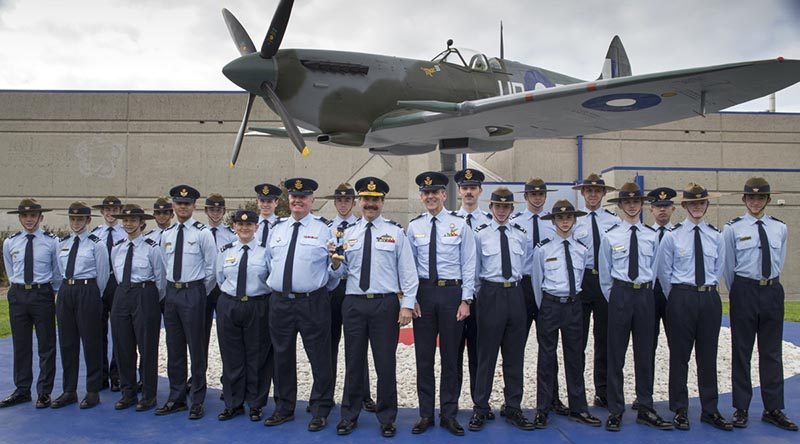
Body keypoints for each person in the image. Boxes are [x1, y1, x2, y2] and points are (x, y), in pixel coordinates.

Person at [334, 177, 418, 438]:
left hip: (384, 304)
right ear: (360, 201)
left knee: (385, 364)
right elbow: (343, 270)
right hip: (354, 304)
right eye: (366, 199)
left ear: (382, 202)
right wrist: (335, 265)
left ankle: (387, 418)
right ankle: (349, 415)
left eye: (375, 199)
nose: (370, 204)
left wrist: (406, 306)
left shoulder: (395, 232)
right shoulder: (348, 234)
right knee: (354, 362)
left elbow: (408, 272)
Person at [263, 177, 339, 432]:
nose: (297, 200)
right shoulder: (278, 228)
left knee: (319, 357)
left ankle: (320, 409)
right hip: (280, 302)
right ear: (288, 200)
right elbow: (268, 263)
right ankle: (284, 407)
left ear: (312, 201)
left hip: (312, 303)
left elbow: (334, 269)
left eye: (303, 196)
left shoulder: (323, 229)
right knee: (281, 356)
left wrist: (317, 287)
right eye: (294, 196)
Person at [722, 177, 797, 431]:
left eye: (760, 198)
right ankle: (741, 408)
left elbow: (780, 259)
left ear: (768, 200)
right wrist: (741, 292)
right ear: (744, 200)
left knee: (772, 353)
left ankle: (773, 408)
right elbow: (728, 267)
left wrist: (768, 284)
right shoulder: (732, 228)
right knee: (742, 351)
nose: (755, 202)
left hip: (772, 291)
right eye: (751, 197)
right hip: (744, 290)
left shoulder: (780, 228)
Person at [656, 183, 732, 431]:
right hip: (681, 297)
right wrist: (679, 296)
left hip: (708, 298)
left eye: (702, 203)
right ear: (685, 206)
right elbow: (664, 273)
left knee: (707, 356)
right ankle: (680, 410)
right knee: (680, 356)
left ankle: (710, 409)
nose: (697, 207)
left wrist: (705, 291)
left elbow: (718, 269)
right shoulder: (672, 236)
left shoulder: (716, 235)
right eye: (692, 204)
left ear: (707, 205)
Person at [406, 171, 476, 436]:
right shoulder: (415, 226)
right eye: (426, 193)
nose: (430, 196)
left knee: (450, 359)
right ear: (421, 196)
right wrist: (410, 300)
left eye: (435, 192)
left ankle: (449, 414)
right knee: (423, 358)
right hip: (424, 296)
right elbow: (409, 267)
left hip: (451, 296)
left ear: (444, 195)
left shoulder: (459, 225)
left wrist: (466, 300)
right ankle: (425, 415)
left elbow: (469, 264)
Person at [598, 183, 672, 431]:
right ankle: (616, 410)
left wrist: (643, 294)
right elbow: (605, 276)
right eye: (627, 202)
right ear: (620, 205)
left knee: (644, 354)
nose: (632, 205)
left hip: (644, 296)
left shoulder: (652, 236)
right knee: (615, 355)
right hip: (620, 294)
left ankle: (645, 407)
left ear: (642, 205)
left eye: (636, 201)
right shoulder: (610, 235)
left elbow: (657, 271)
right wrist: (617, 297)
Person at [468, 187, 535, 432]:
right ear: (491, 207)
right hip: (491, 292)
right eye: (498, 206)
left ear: (511, 209)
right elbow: (474, 271)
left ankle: (513, 406)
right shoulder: (480, 234)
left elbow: (524, 264)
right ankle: (481, 407)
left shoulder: (521, 234)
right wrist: (481, 296)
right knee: (486, 354)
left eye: (506, 207)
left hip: (515, 293)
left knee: (515, 354)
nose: (502, 211)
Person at [531, 200, 601, 429]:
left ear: (574, 220)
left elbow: (580, 280)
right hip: (551, 305)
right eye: (560, 218)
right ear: (553, 221)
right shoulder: (543, 249)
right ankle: (543, 408)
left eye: (568, 217)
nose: (564, 221)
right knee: (546, 358)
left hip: (573, 307)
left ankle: (578, 407)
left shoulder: (582, 249)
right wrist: (545, 307)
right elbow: (536, 283)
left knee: (575, 357)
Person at [155, 185, 216, 420]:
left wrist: (199, 291)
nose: (183, 207)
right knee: (174, 347)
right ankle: (176, 397)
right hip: (172, 294)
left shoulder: (202, 233)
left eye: (187, 203)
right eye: (179, 203)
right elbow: (164, 265)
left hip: (194, 293)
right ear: (173, 206)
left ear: (194, 206)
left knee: (196, 348)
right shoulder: (167, 235)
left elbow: (212, 269)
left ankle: (198, 399)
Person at [511, 177, 567, 416]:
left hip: (546, 286)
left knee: (548, 346)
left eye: (541, 194)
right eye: (532, 194)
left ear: (545, 197)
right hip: (522, 287)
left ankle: (551, 398)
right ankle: (513, 400)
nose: (537, 198)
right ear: (525, 197)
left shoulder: (552, 224)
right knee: (515, 347)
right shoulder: (514, 222)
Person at [0, 199, 60, 409]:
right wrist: (17, 287)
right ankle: (22, 390)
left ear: (40, 218)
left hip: (41, 294)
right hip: (18, 295)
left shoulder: (51, 242)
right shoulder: (11, 242)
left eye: (33, 216)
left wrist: (49, 292)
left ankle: (44, 392)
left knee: (46, 345)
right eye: (25, 216)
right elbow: (10, 269)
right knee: (21, 345)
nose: (29, 220)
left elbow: (57, 272)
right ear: (20, 218)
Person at [215, 210, 273, 422]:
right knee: (231, 356)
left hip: (257, 305)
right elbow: (220, 277)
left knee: (257, 357)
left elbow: (270, 277)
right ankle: (233, 403)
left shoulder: (266, 252)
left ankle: (256, 404)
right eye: (240, 224)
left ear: (257, 227)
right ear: (234, 227)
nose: (244, 228)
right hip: (230, 304)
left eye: (249, 225)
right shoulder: (225, 250)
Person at [324, 182, 376, 413]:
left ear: (354, 203)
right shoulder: (325, 228)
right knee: (330, 344)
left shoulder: (362, 226)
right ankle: (327, 394)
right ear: (335, 203)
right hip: (334, 289)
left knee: (358, 346)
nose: (343, 204)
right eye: (339, 200)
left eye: (347, 200)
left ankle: (362, 394)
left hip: (356, 289)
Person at [51, 202, 109, 410]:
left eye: (80, 219)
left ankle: (92, 390)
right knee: (67, 342)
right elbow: (60, 270)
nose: (76, 223)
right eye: (73, 219)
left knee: (91, 341)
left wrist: (93, 294)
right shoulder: (62, 243)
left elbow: (102, 275)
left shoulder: (96, 244)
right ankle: (69, 390)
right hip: (67, 291)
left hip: (88, 291)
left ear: (88, 221)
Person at [109, 204, 166, 412]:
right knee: (123, 346)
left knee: (147, 347)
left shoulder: (152, 247)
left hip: (145, 294)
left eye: (133, 220)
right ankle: (128, 393)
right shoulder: (118, 247)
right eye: (125, 221)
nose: (129, 224)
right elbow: (116, 273)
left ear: (142, 222)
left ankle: (149, 395)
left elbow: (160, 279)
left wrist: (148, 297)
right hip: (123, 294)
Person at [571, 173, 619, 407]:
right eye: (588, 191)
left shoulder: (613, 221)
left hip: (605, 282)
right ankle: (576, 393)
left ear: (603, 194)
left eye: (597, 191)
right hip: (582, 282)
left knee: (605, 339)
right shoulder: (573, 221)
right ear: (582, 194)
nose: (592, 194)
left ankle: (603, 391)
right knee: (577, 340)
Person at [631, 186, 677, 411]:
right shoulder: (643, 234)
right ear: (650, 209)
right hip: (648, 295)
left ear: (673, 208)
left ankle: (677, 399)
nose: (662, 210)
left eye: (666, 206)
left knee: (677, 347)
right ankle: (644, 396)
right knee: (646, 348)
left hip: (673, 296)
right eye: (658, 206)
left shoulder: (679, 234)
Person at [452, 168, 492, 418]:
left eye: (473, 188)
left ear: (480, 191)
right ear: (459, 191)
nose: (468, 192)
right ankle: (451, 404)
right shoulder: (450, 222)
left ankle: (480, 404)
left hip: (482, 297)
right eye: (464, 188)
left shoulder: (490, 221)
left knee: (480, 353)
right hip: (455, 296)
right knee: (453, 353)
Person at [91, 196, 126, 392]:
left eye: (114, 209)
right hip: (98, 283)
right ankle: (101, 374)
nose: (110, 212)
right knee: (97, 331)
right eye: (107, 209)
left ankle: (117, 375)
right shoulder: (96, 234)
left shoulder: (125, 232)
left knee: (120, 331)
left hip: (117, 282)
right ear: (102, 212)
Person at [203, 193, 236, 374]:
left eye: (219, 209)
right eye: (212, 209)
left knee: (226, 336)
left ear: (224, 211)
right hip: (204, 288)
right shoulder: (200, 233)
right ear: (206, 210)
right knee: (200, 335)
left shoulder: (231, 235)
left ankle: (227, 377)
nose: (215, 213)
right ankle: (199, 375)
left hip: (223, 288)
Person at [254, 183, 282, 247]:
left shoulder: (281, 225)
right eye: (262, 201)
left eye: (269, 201)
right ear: (257, 202)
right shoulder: (251, 224)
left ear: (276, 203)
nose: (265, 205)